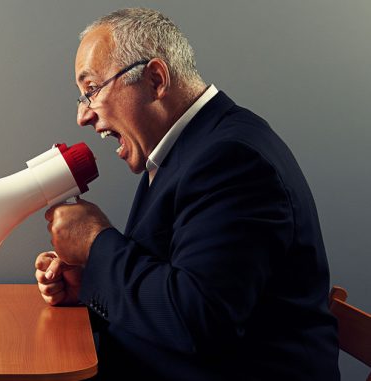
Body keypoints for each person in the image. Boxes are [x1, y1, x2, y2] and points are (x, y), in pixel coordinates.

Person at [34, 8, 339, 380]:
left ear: (155, 79)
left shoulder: (232, 160)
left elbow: (197, 320)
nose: (84, 116)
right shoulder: (190, 149)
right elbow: (173, 285)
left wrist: (96, 244)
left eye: (92, 90)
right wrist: (91, 281)